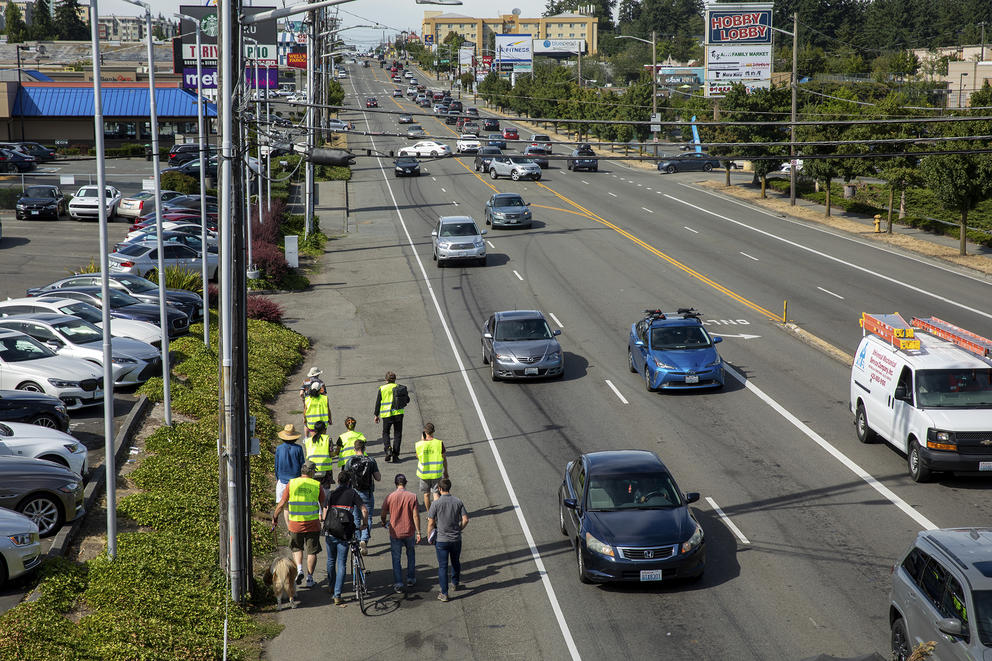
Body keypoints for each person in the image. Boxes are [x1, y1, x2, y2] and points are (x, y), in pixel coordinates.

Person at [272, 461, 326, 588]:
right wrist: (324, 518)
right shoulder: (317, 485)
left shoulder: (292, 483)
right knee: (312, 551)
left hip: (295, 523)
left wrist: (275, 517)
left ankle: (300, 569)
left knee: (297, 548)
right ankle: (310, 578)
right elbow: (324, 505)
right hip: (313, 523)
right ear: (312, 472)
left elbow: (282, 503)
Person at [323, 471, 369, 607]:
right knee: (341, 563)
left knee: (331, 560)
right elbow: (364, 510)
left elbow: (325, 513)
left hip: (330, 532)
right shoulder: (352, 494)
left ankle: (331, 586)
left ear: (338, 481)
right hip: (344, 533)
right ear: (349, 482)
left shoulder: (331, 494)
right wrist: (364, 524)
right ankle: (337, 595)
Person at [427, 478, 468, 602]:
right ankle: (455, 583)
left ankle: (444, 593)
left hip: (441, 540)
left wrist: (429, 536)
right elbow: (465, 519)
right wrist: (459, 529)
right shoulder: (458, 501)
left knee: (443, 566)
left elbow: (431, 522)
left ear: (439, 489)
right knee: (455, 562)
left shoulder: (436, 504)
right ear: (449, 488)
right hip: (456, 539)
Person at [380, 473, 421, 592]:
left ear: (395, 483)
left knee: (396, 558)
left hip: (395, 532)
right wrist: (418, 532)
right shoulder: (412, 496)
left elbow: (383, 513)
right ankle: (411, 578)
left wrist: (383, 522)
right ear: (406, 483)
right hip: (409, 531)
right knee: (411, 554)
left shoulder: (390, 496)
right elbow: (415, 516)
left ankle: (398, 583)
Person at [344, 438, 381, 556]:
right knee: (368, 517)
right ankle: (364, 540)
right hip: (367, 493)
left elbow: (345, 477)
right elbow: (378, 477)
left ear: (354, 449)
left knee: (355, 517)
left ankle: (357, 541)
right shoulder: (371, 460)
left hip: (354, 493)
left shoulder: (350, 461)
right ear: (364, 448)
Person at [274, 424, 305, 528]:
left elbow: (276, 465)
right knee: (295, 505)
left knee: (285, 507)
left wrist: (278, 478)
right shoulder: (298, 448)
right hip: (295, 481)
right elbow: (302, 464)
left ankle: (289, 527)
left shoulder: (279, 449)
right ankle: (296, 525)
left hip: (282, 481)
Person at [415, 422, 447, 513]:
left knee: (426, 494)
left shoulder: (419, 444)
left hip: (424, 473)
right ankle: (437, 513)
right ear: (433, 431)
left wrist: (422, 440)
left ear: (424, 432)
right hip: (436, 473)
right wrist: (446, 471)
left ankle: (430, 514)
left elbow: (417, 456)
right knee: (436, 493)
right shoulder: (439, 443)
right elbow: (444, 458)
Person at [373, 371, 404, 462]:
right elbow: (406, 399)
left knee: (386, 433)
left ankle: (388, 449)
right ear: (395, 380)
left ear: (386, 380)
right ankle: (395, 456)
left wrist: (376, 415)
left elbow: (378, 402)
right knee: (397, 434)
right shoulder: (399, 387)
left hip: (387, 415)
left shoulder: (382, 388)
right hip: (398, 414)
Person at [304, 420, 334, 487]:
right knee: (325, 490)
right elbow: (331, 454)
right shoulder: (328, 439)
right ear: (324, 430)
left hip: (312, 469)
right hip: (325, 469)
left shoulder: (308, 441)